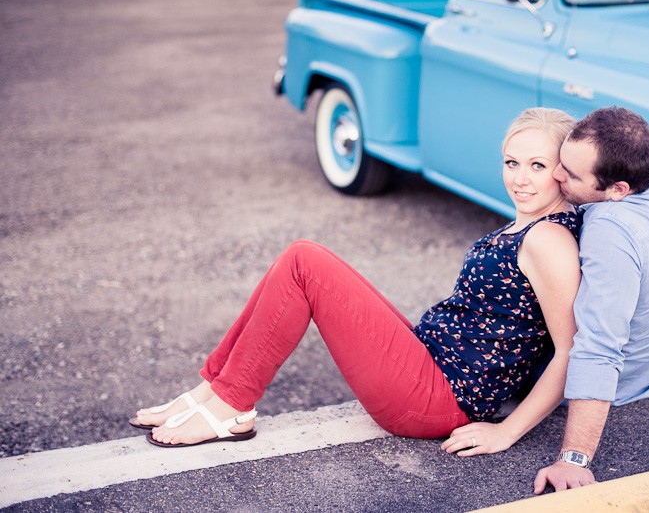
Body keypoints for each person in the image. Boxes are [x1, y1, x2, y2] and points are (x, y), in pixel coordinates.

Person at [130, 108, 582, 455]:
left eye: (537, 166)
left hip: (438, 400)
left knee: (305, 262)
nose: (520, 179)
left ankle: (231, 407)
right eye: (512, 162)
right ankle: (211, 390)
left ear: (562, 171)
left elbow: (571, 350)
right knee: (300, 260)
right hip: (428, 358)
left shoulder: (550, 240)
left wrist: (506, 433)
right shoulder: (531, 225)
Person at [533, 106, 649, 493]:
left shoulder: (610, 228)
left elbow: (599, 345)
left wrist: (573, 459)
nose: (557, 175)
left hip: (622, 380)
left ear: (618, 190)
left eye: (571, 175)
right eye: (560, 162)